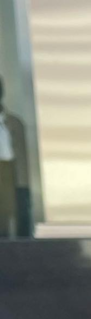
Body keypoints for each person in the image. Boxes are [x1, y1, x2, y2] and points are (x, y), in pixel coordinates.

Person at [0, 75, 30, 237]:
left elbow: (23, 159)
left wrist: (24, 186)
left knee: (12, 218)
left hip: (10, 172)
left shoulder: (14, 122)